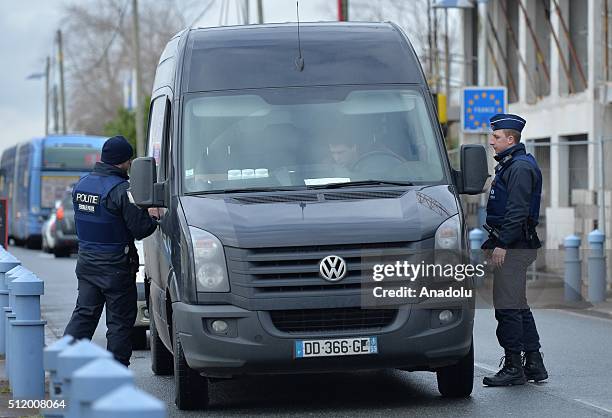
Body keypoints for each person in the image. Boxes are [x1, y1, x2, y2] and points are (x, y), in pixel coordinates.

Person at [64, 136, 158, 367]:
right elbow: (141, 228)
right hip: (115, 267)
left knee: (84, 316)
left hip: (86, 263)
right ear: (123, 161)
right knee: (118, 323)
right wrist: (154, 217)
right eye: (129, 160)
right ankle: (115, 374)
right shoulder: (121, 190)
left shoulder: (82, 184)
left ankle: (64, 363)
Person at [482, 113, 548, 387]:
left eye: (496, 137)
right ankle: (533, 363)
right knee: (518, 304)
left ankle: (513, 366)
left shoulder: (519, 167)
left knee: (507, 307)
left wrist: (503, 244)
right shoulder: (512, 165)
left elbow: (517, 211)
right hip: (516, 243)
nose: (491, 141)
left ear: (511, 139)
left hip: (513, 245)